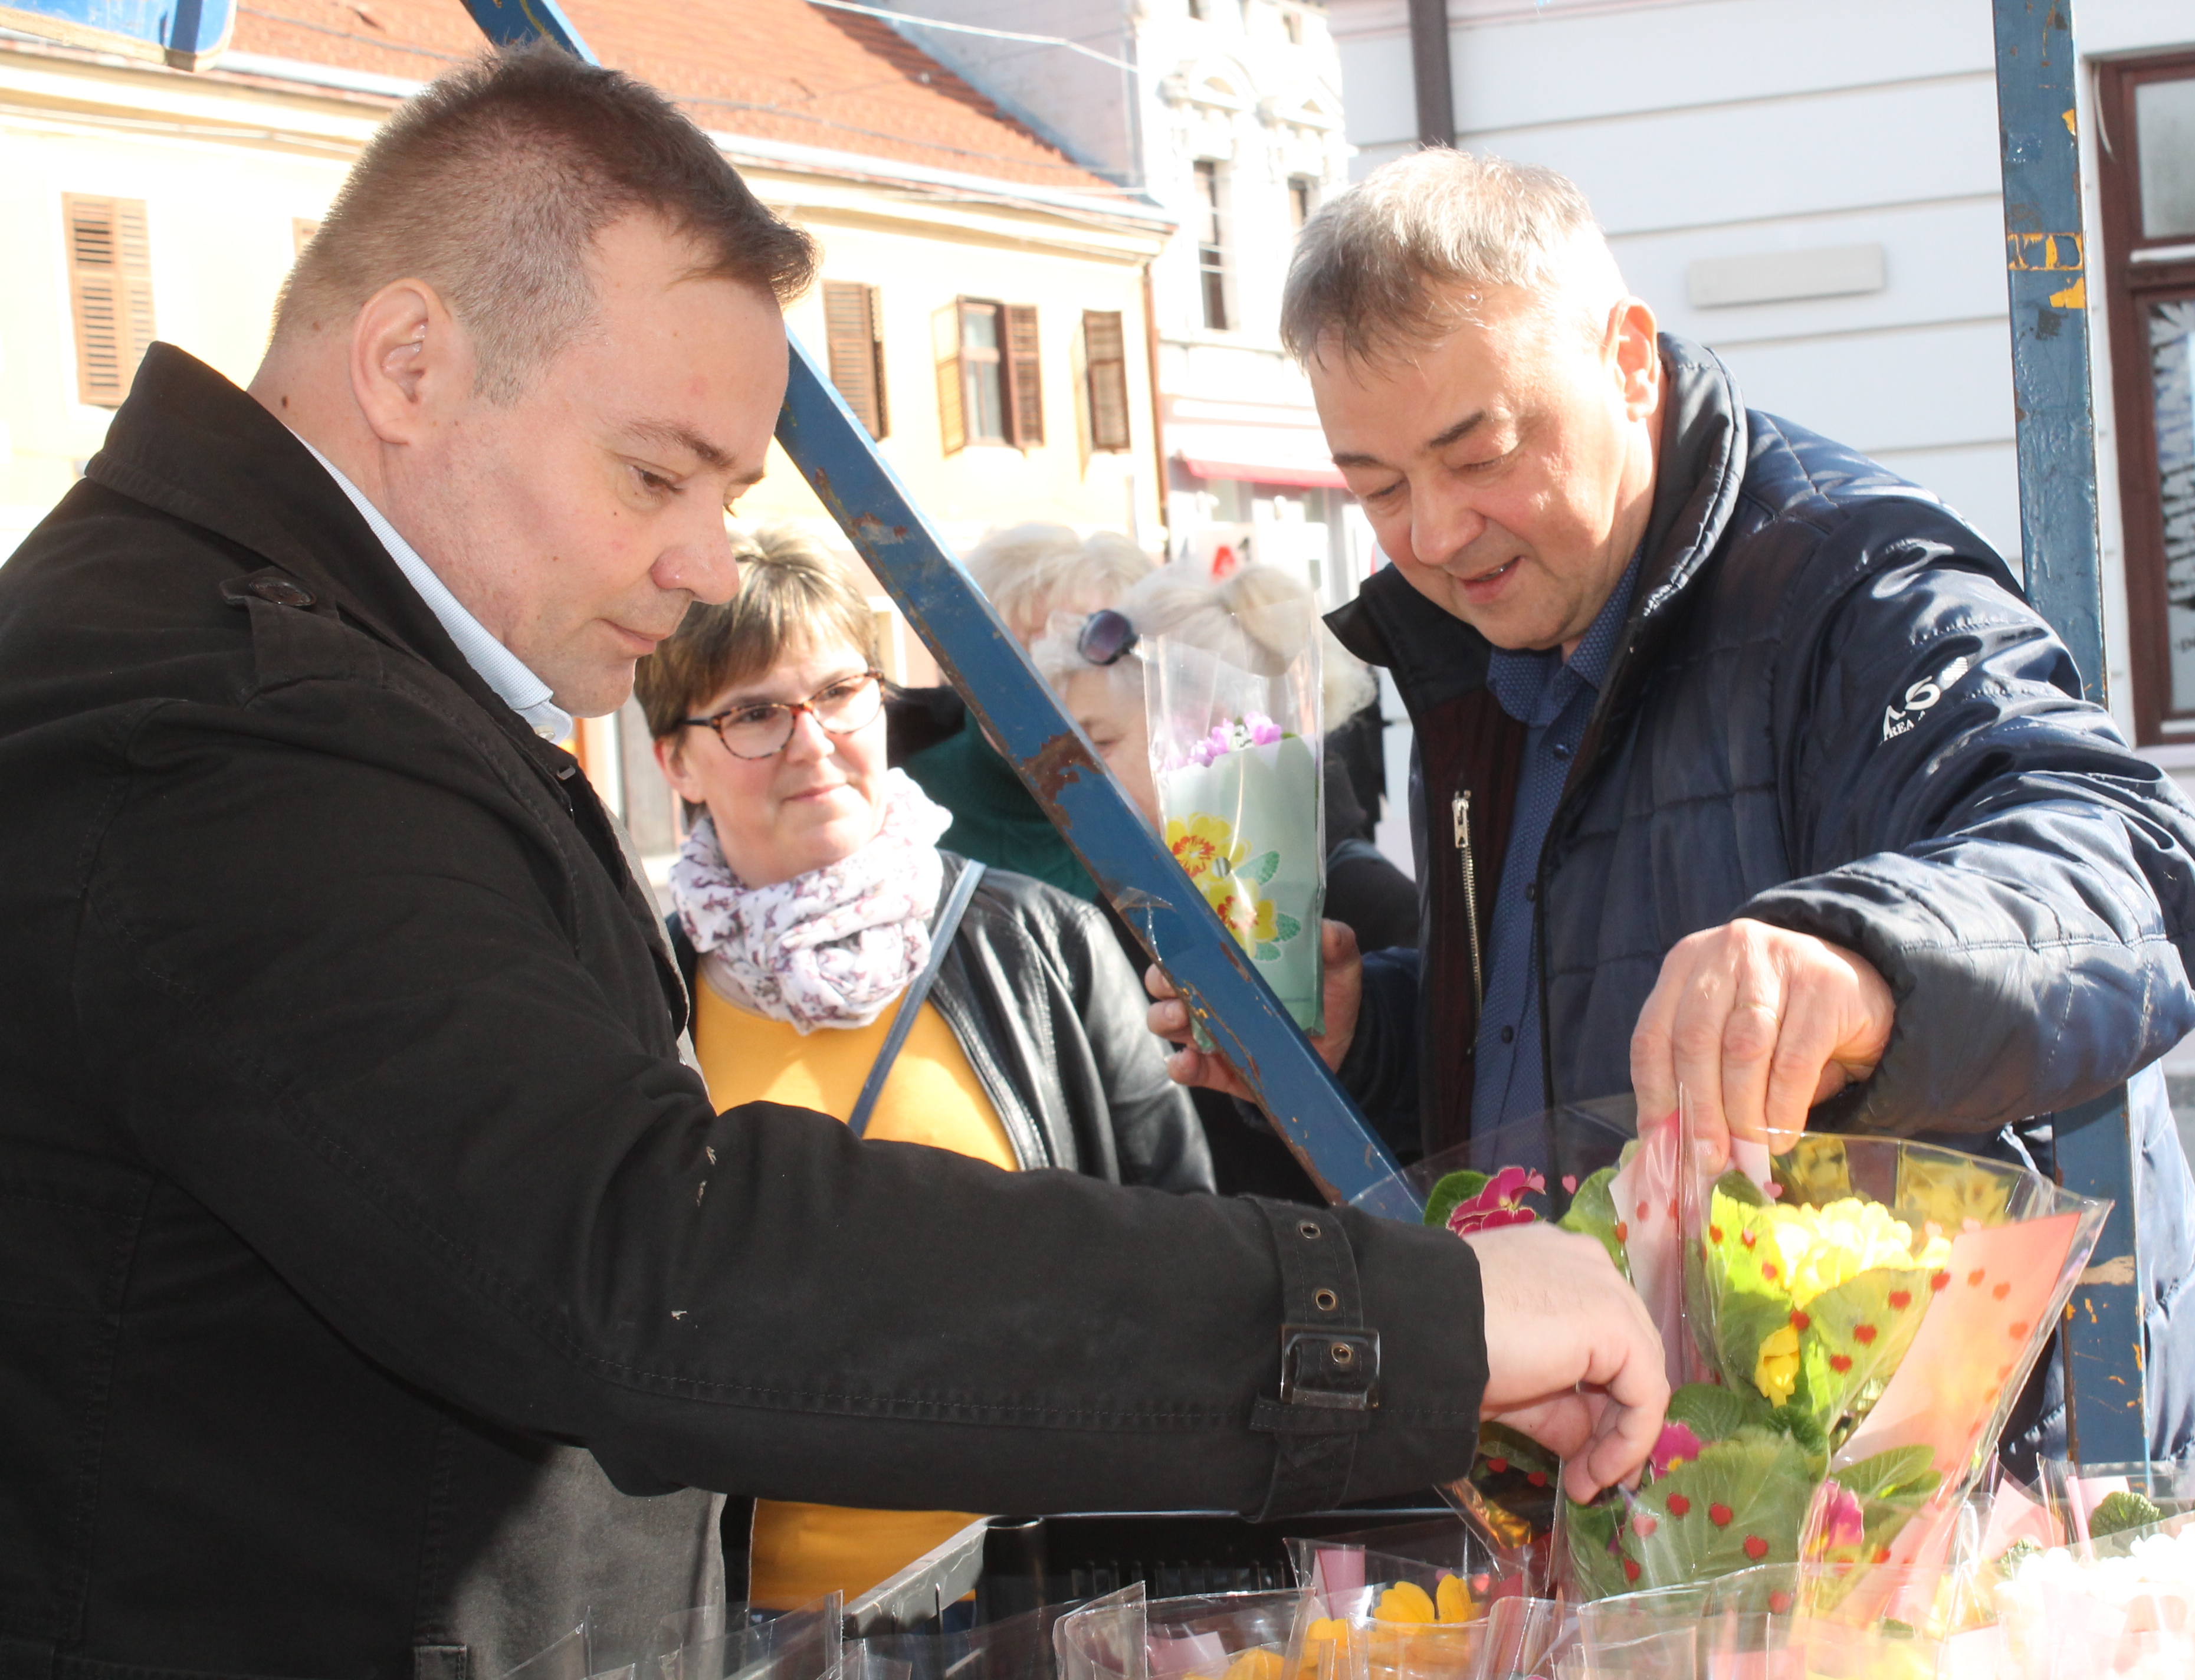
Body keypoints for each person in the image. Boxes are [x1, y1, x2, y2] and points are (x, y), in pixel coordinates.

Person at [0, 53, 1666, 1677]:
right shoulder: (223, 726)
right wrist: (1406, 1330)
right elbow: (652, 1264)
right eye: (655, 473)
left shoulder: (288, 668)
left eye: (724, 490)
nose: (700, 559)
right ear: (410, 364)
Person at [1151, 148, 2195, 1472]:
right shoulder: (1478, 638)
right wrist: (1374, 1036)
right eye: (1380, 487)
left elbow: (2131, 861)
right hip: (1697, 1479)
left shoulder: (1854, 579)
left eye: (1483, 454)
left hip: (1973, 1491)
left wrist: (1856, 956)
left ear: (1630, 359)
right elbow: (1564, 1029)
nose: (1440, 532)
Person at [638, 522, 1213, 1606]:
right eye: (756, 712)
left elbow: (1184, 1269)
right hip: (745, 1630)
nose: (812, 741)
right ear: (676, 756)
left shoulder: (1044, 946)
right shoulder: (641, 994)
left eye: (841, 692)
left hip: (1036, 1607)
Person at [1033, 560, 1422, 957]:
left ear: (1205, 729)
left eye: (1100, 743)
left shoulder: (1373, 912)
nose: (1069, 775)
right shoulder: (1128, 906)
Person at [897, 521, 1153, 902]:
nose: (1052, 679)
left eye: (1095, 647)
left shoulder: (1171, 801)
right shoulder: (901, 803)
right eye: (1018, 651)